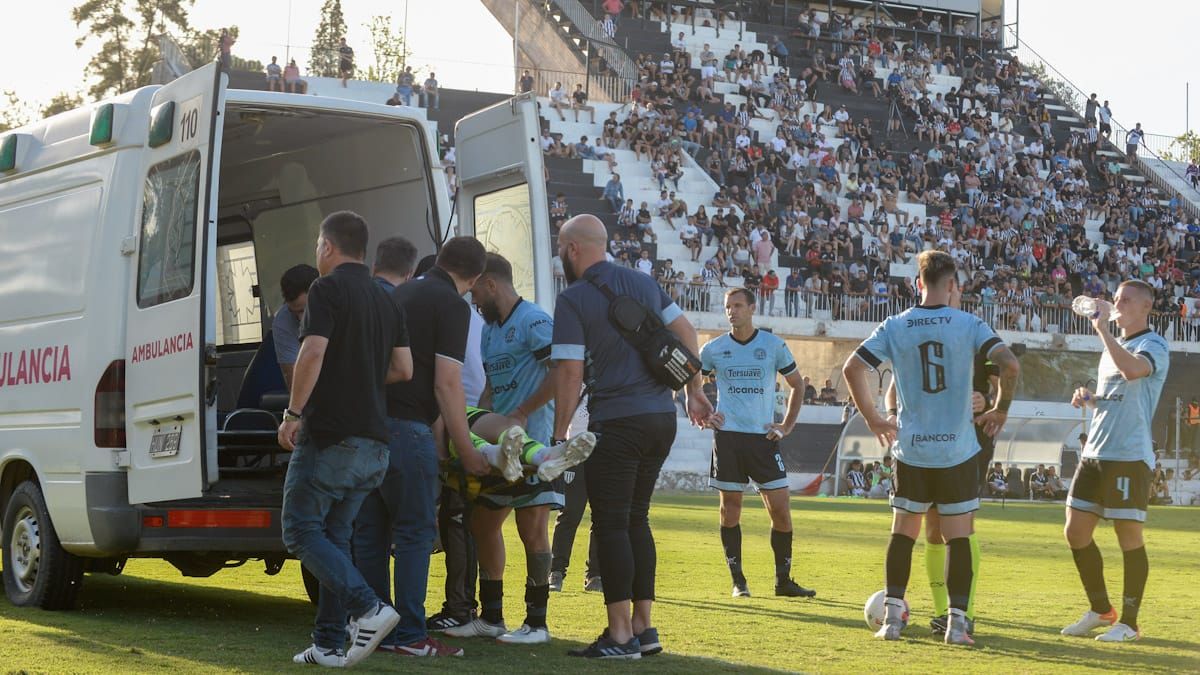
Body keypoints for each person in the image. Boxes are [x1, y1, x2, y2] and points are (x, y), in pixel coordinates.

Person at [552, 214, 712, 659]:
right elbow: (686, 333)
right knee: (637, 519)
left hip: (617, 421)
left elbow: (568, 369)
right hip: (662, 417)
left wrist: (559, 431)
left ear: (572, 250)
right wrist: (693, 391)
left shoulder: (574, 298)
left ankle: (619, 635)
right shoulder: (643, 283)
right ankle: (644, 627)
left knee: (611, 524)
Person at [843, 250, 1019, 645]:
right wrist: (999, 410)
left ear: (917, 283)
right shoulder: (970, 323)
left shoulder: (896, 325)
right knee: (958, 537)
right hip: (957, 450)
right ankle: (957, 626)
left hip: (912, 450)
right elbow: (1010, 365)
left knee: (903, 533)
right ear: (953, 284)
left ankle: (892, 622)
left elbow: (852, 368)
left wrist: (873, 417)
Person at [277, 211, 412, 667]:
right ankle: (329, 643)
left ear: (328, 247)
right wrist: (361, 375)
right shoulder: (386, 298)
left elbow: (312, 351)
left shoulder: (325, 288)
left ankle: (368, 608)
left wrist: (293, 413)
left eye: (318, 245)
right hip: (376, 441)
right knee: (335, 538)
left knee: (299, 530)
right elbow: (404, 369)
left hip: (332, 435)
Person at [351, 237, 489, 658]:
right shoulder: (451, 305)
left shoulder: (399, 292)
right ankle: (409, 633)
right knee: (414, 532)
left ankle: (373, 625)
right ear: (475, 278)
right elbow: (446, 381)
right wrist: (465, 450)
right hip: (407, 428)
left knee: (371, 533)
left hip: (367, 424)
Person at [443, 253, 571, 644]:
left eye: (476, 290)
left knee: (531, 527)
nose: (473, 299)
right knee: (483, 524)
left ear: (492, 283)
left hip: (535, 441)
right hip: (500, 447)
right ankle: (492, 617)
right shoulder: (488, 329)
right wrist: (483, 415)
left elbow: (563, 372)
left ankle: (536, 622)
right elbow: (489, 386)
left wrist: (521, 411)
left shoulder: (533, 320)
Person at [1062, 279, 1169, 643]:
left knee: (1128, 537)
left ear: (1144, 308)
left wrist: (1102, 329)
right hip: (1095, 453)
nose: (1116, 304)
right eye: (1116, 298)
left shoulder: (1153, 344)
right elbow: (1115, 394)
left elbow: (1133, 371)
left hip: (1128, 456)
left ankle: (1130, 622)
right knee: (1075, 532)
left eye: (1124, 300)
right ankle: (1100, 609)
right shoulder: (1113, 347)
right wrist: (1088, 397)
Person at [701, 288, 816, 599]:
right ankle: (738, 581)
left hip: (763, 439)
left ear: (752, 308)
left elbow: (797, 385)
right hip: (728, 439)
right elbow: (691, 380)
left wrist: (787, 425)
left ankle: (783, 582)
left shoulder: (772, 345)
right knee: (730, 510)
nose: (732, 311)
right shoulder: (713, 349)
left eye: (738, 305)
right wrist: (702, 410)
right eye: (728, 307)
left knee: (780, 510)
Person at [274, 264, 320, 392]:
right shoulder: (283, 321)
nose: (300, 319)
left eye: (304, 310)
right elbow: (295, 383)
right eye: (295, 312)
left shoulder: (342, 310)